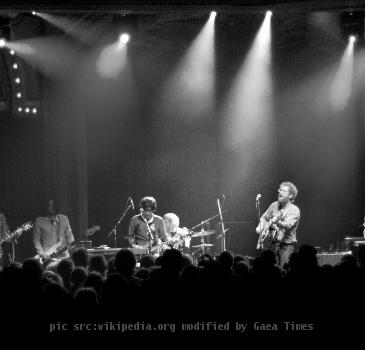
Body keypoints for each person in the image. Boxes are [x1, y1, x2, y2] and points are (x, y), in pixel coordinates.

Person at [256, 182, 300, 269]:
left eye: (284, 191)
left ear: (290, 195)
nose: (280, 192)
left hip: (287, 245)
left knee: (284, 269)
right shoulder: (274, 205)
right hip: (272, 243)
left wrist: (276, 222)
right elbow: (264, 217)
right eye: (280, 190)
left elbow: (288, 225)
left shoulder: (294, 210)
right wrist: (262, 227)